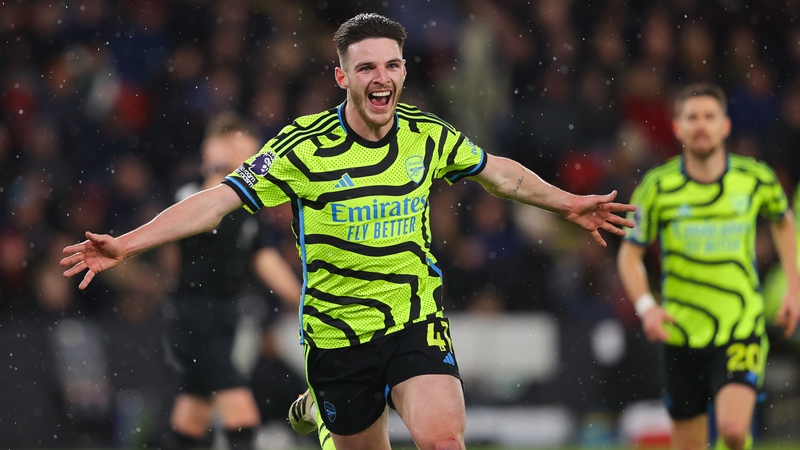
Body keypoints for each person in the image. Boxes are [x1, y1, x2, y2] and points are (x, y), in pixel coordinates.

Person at [62, 13, 635, 450]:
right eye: (366, 67)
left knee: (444, 441)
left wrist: (568, 203)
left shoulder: (426, 135)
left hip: (415, 321)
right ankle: (320, 404)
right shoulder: (303, 147)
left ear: (405, 72)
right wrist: (127, 244)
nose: (380, 78)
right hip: (338, 341)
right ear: (342, 76)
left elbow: (499, 175)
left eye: (391, 65)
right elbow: (214, 205)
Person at [617, 82, 800, 450]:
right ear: (677, 128)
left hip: (740, 324)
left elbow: (783, 220)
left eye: (709, 116)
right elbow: (630, 254)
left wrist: (795, 289)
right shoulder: (658, 187)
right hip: (680, 331)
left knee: (733, 430)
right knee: (689, 445)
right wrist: (647, 307)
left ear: (725, 126)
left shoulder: (755, 179)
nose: (701, 125)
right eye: (692, 117)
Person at [164, 111, 302, 450]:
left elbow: (265, 260)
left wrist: (305, 299)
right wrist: (218, 168)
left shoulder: (249, 210)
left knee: (192, 415)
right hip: (193, 317)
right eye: (244, 153)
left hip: (225, 316)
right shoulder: (191, 193)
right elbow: (199, 219)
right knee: (242, 412)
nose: (253, 163)